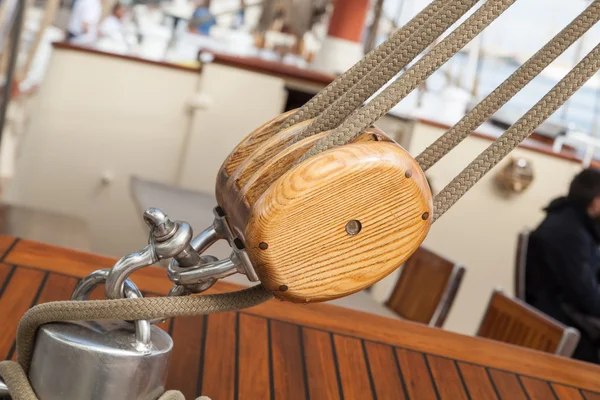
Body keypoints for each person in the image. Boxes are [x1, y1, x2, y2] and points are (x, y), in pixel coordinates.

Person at [526, 168, 600, 364]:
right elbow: (586, 296)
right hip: (557, 324)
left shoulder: (568, 219)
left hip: (554, 313)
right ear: (596, 202)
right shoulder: (571, 233)